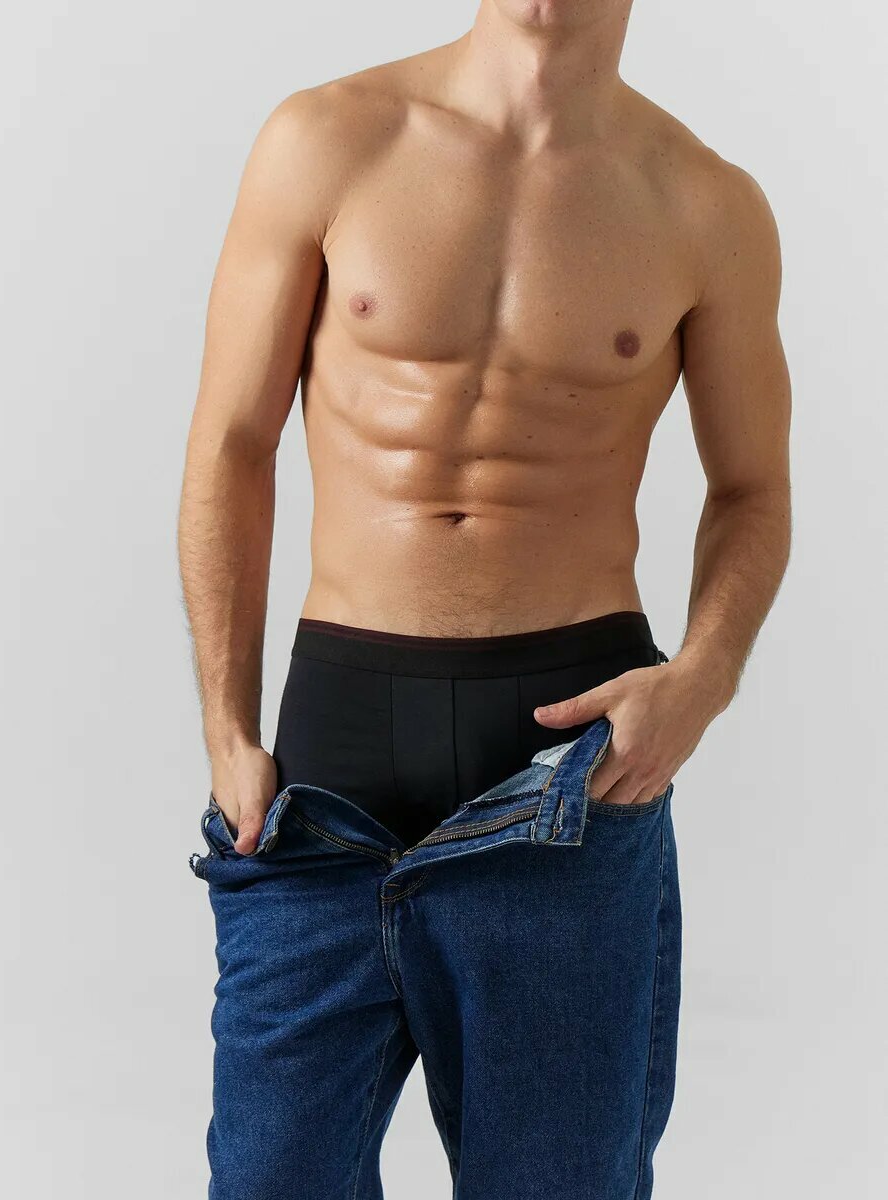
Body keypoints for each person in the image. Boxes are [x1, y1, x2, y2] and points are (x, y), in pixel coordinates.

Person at [178, 2, 791, 1195]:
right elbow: (232, 444)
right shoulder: (328, 139)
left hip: (572, 762)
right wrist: (225, 724)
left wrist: (703, 680)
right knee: (269, 1179)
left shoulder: (706, 206)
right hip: (325, 767)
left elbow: (753, 490)